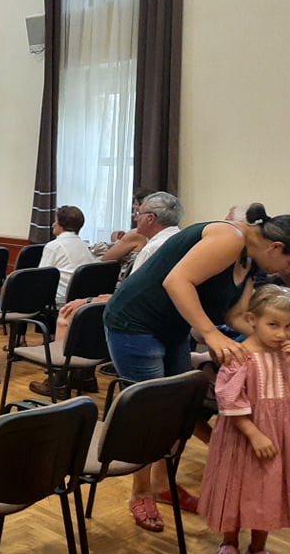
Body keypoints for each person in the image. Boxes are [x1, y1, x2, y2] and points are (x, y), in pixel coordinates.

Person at [104, 202, 290, 533]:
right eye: (288, 264)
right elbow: (176, 282)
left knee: (181, 409)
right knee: (150, 412)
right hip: (135, 324)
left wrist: (272, 341)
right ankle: (141, 493)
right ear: (276, 247)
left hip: (171, 328)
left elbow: (236, 316)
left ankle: (163, 484)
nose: (283, 273)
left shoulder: (249, 261)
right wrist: (210, 334)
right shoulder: (230, 238)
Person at [29, 192, 184, 398]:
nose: (135, 218)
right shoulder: (179, 239)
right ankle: (84, 376)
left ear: (150, 218)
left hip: (136, 322)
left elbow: (131, 293)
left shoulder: (152, 248)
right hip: (167, 319)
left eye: (138, 213)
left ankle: (59, 380)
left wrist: (91, 300)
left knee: (68, 314)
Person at [198, 284, 290, 554]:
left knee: (269, 488)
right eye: (273, 325)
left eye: (289, 327)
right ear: (252, 320)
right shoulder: (241, 356)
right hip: (242, 437)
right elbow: (229, 400)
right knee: (236, 487)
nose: (281, 334)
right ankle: (228, 544)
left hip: (279, 434)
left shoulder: (284, 355)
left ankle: (258, 549)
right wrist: (254, 433)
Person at [38, 205, 95, 306]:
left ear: (62, 224)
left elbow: (41, 278)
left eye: (55, 221)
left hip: (60, 300)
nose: (53, 224)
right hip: (82, 300)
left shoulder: (54, 246)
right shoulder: (86, 246)